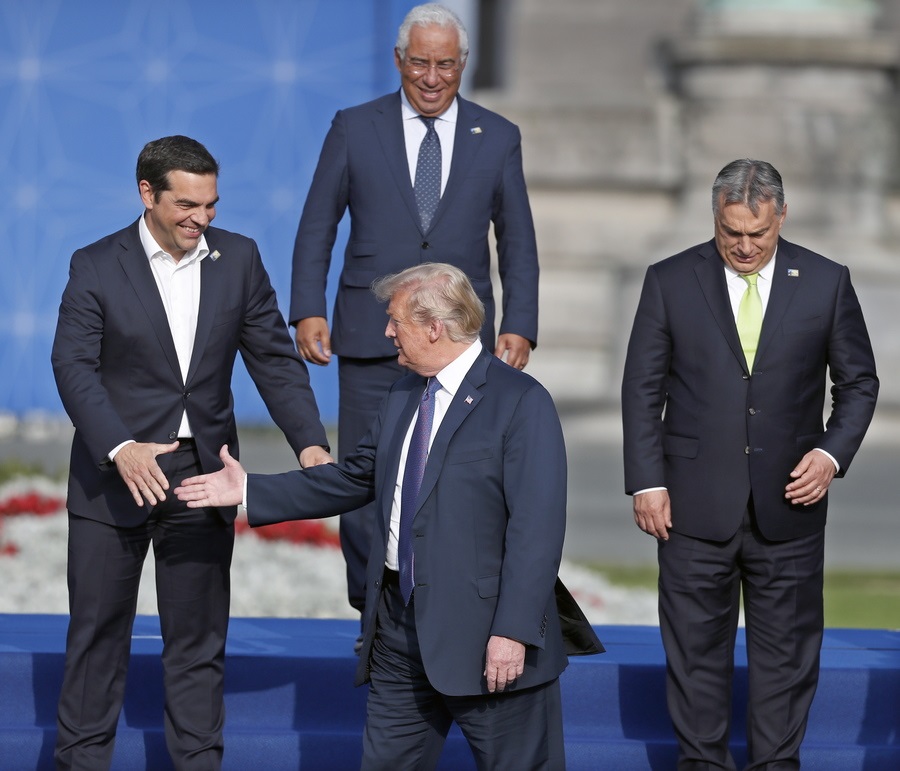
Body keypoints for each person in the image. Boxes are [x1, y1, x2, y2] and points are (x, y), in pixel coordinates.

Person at [176, 263, 601, 770]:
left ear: (433, 327)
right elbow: (355, 478)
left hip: (487, 636)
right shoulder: (402, 394)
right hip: (399, 634)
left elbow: (537, 530)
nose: (386, 331)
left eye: (395, 320)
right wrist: (249, 490)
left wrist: (511, 633)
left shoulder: (520, 402)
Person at [51, 134, 332, 770]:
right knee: (96, 641)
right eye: (186, 205)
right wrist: (121, 448)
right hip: (113, 475)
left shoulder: (238, 258)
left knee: (198, 645)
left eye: (210, 206)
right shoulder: (95, 263)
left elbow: (273, 360)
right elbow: (72, 366)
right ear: (146, 194)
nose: (201, 220)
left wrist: (311, 445)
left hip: (202, 476)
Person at [622, 159, 879, 769]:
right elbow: (642, 388)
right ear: (715, 217)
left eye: (756, 234)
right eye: (729, 231)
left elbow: (859, 384)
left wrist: (829, 454)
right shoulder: (669, 279)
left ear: (781, 217)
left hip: (790, 507)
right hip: (688, 507)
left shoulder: (826, 281)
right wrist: (647, 480)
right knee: (694, 656)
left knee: (786, 660)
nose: (742, 246)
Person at [290, 2, 540, 616]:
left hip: (457, 345)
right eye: (420, 63)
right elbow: (317, 225)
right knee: (366, 479)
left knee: (457, 476)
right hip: (370, 336)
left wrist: (521, 326)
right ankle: (370, 613)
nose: (432, 78)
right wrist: (306, 308)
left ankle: (445, 610)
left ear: (463, 64)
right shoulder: (355, 127)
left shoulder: (497, 135)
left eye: (446, 65)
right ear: (399, 60)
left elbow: (517, 242)